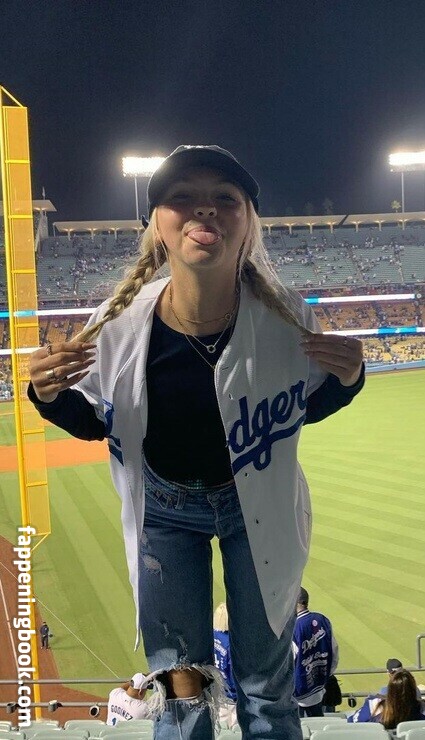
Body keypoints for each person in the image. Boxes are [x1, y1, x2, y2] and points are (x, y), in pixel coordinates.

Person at [28, 144, 364, 739]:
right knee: (181, 691)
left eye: (223, 198)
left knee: (266, 689)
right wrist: (48, 396)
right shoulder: (120, 323)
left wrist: (350, 378)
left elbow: (301, 410)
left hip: (256, 505)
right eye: (182, 197)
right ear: (157, 224)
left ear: (248, 223)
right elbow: (102, 422)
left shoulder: (286, 317)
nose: (203, 210)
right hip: (162, 513)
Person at [292, 587, 339, 717]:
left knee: (300, 726)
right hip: (319, 687)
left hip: (298, 694)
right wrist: (327, 674)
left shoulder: (293, 627)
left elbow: (288, 662)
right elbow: (334, 651)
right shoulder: (323, 620)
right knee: (319, 722)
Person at [348, 669, 425, 729]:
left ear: (390, 689)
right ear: (413, 690)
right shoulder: (422, 708)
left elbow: (352, 723)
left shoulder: (374, 705)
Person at [213, 603, 237, 729]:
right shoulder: (231, 641)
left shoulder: (212, 635)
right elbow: (232, 670)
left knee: (220, 726)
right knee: (234, 729)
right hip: (230, 693)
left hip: (216, 688)